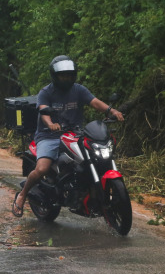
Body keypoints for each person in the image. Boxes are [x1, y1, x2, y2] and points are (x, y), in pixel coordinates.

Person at [12, 55, 124, 217]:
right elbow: (43, 109)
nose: (66, 78)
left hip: (75, 133)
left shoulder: (78, 89)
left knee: (94, 156)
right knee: (42, 168)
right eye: (63, 75)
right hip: (49, 136)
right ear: (55, 76)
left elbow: (94, 101)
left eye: (69, 75)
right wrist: (50, 124)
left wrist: (111, 111)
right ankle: (22, 195)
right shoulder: (46, 92)